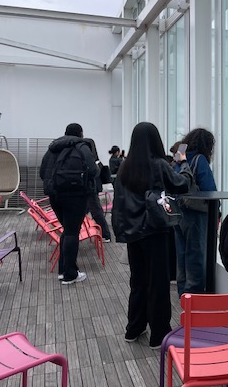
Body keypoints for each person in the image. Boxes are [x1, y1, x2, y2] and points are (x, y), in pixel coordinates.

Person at [111, 122, 192, 348]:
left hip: (133, 233)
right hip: (155, 231)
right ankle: (159, 334)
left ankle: (134, 328)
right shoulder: (159, 164)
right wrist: (183, 162)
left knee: (138, 281)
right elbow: (182, 184)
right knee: (158, 282)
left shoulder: (125, 167)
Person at [39, 123, 98, 284]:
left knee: (67, 231)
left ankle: (63, 269)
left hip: (55, 196)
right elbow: (93, 171)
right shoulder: (82, 147)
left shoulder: (53, 148)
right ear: (80, 133)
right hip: (75, 195)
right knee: (72, 232)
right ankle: (70, 274)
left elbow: (42, 172)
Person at [173, 128, 217, 296]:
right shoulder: (200, 160)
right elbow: (209, 188)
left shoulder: (179, 159)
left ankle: (183, 292)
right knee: (196, 255)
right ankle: (194, 294)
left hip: (178, 212)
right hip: (195, 213)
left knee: (182, 253)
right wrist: (218, 211)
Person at [85, 138, 112, 243]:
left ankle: (105, 234)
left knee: (96, 212)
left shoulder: (89, 161)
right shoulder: (96, 161)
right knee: (95, 212)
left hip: (91, 190)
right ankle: (105, 234)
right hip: (93, 189)